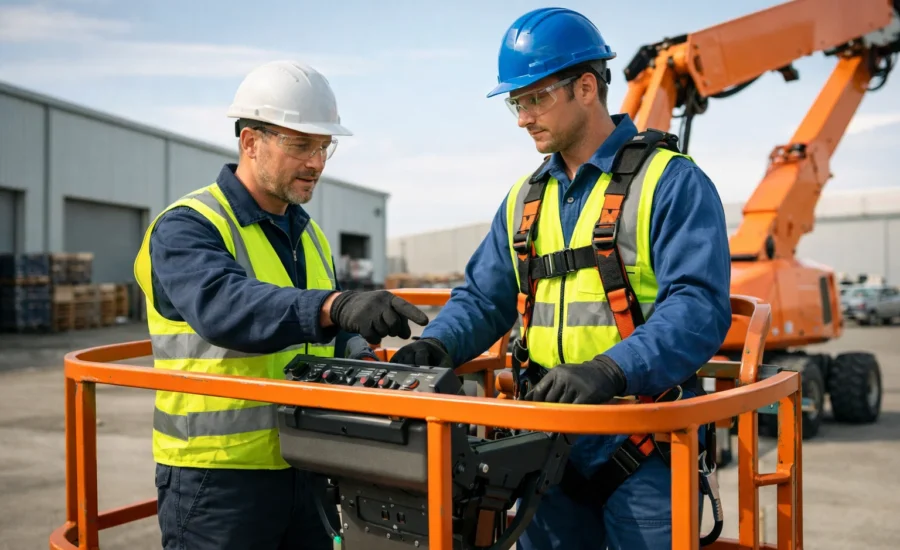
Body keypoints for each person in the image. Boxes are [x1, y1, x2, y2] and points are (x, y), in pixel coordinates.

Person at [391, 8, 731, 550]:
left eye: (535, 98)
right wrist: (435, 346)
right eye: (515, 103)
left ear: (587, 87)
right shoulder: (526, 199)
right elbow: (483, 297)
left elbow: (698, 307)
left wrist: (611, 370)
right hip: (545, 443)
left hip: (643, 445)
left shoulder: (672, 183)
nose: (523, 117)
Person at [133, 60, 429, 550]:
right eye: (300, 145)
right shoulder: (189, 226)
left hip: (309, 460)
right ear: (250, 142)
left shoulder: (308, 234)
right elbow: (225, 306)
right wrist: (335, 306)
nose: (316, 162)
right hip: (219, 479)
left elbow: (332, 329)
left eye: (323, 146)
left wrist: (369, 360)